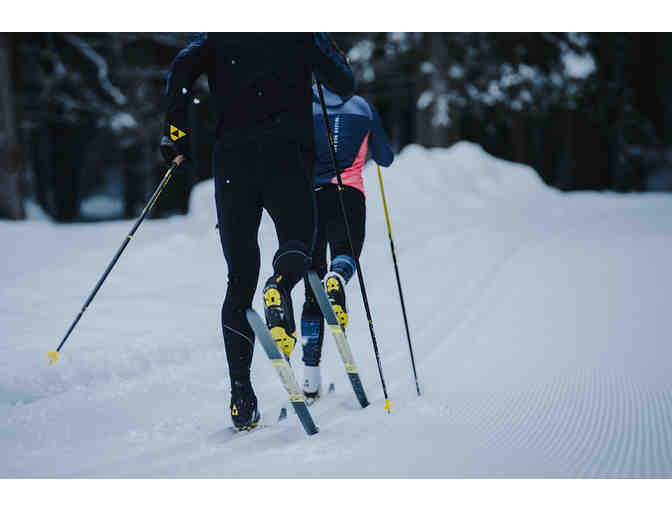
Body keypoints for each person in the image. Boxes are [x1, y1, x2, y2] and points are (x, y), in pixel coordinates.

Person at [160, 34, 354, 431]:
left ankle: (241, 397)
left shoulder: (217, 35)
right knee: (299, 241)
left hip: (234, 164)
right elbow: (344, 83)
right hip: (288, 157)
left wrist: (175, 131)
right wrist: (329, 48)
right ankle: (280, 286)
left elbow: (181, 66)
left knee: (239, 278)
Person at [301, 83, 394, 400]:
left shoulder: (304, 105)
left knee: (311, 281)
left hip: (311, 198)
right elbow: (385, 157)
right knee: (346, 253)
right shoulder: (361, 107)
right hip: (349, 193)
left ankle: (310, 378)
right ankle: (338, 278)